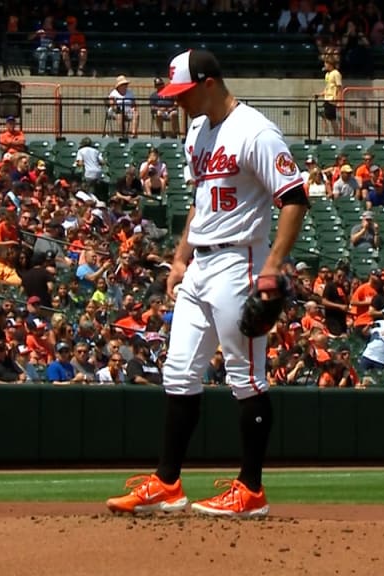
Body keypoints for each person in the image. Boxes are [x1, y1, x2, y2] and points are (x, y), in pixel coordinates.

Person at [106, 49, 308, 518]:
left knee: (246, 378)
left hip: (241, 260)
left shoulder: (255, 131)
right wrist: (180, 258)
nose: (178, 102)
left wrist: (273, 267)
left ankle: (251, 490)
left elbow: (295, 198)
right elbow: (200, 199)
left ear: (210, 83)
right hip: (200, 264)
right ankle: (167, 483)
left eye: (184, 93)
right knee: (178, 373)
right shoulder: (197, 130)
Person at [316, 58, 341, 138]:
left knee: (332, 119)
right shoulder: (327, 74)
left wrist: (339, 101)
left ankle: (336, 136)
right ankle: (327, 135)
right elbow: (327, 87)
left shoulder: (336, 73)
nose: (325, 65)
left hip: (332, 99)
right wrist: (320, 94)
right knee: (323, 116)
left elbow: (339, 87)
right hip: (326, 99)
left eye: (326, 64)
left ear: (330, 64)